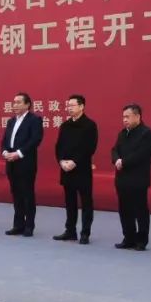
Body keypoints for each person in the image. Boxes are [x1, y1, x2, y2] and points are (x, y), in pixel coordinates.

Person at [53, 94, 99, 244]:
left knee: (86, 202)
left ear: (81, 106)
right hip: (66, 169)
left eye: (72, 105)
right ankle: (70, 231)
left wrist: (74, 161)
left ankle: (85, 233)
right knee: (69, 202)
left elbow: (90, 147)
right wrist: (61, 161)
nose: (69, 108)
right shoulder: (65, 125)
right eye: (68, 106)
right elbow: (59, 146)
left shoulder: (90, 125)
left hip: (82, 169)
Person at [112, 104, 151, 251]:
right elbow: (114, 150)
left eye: (128, 116)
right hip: (122, 178)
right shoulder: (122, 133)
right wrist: (116, 159)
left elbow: (142, 154)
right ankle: (128, 238)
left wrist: (123, 162)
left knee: (140, 210)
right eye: (123, 117)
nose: (124, 120)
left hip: (138, 179)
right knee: (124, 210)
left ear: (137, 116)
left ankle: (142, 240)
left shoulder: (147, 134)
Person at [1, 92, 44, 237]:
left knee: (27, 195)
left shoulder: (34, 120)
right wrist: (5, 152)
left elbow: (35, 140)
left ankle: (29, 226)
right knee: (16, 195)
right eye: (14, 102)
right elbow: (5, 140)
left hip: (25, 163)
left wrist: (18, 153)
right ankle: (18, 225)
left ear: (27, 105)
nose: (15, 105)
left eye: (19, 102)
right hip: (11, 163)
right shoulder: (11, 121)